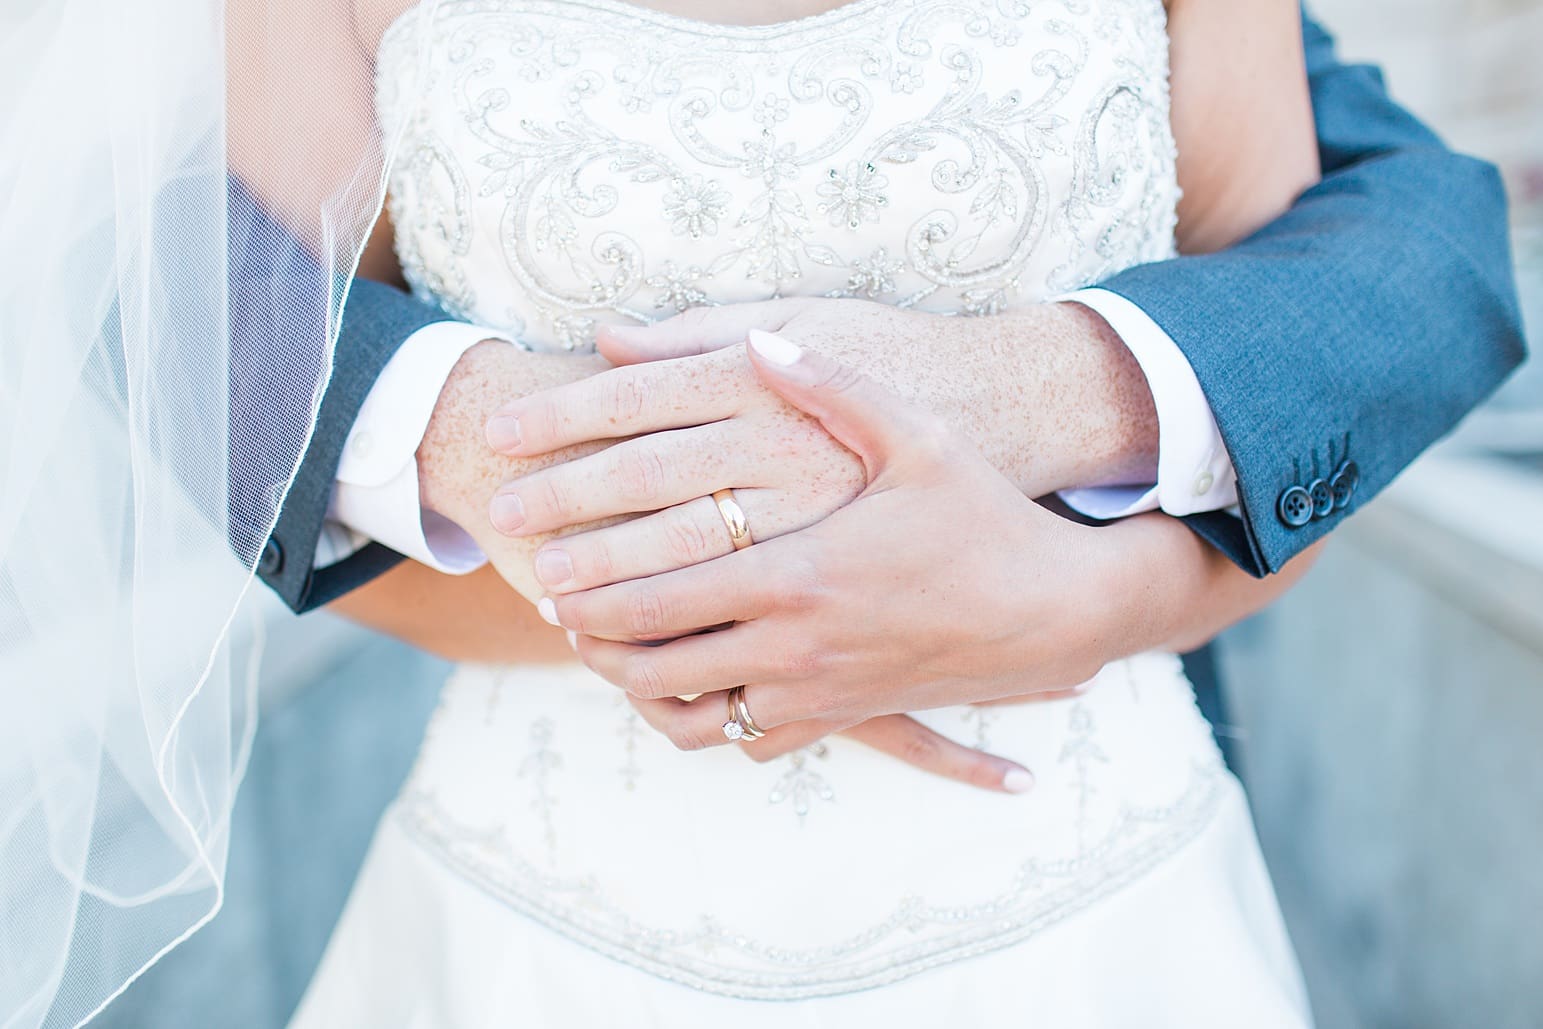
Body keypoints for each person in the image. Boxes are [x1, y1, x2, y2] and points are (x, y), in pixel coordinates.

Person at [266, 0, 1521, 1024]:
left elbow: (1288, 415)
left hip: (1084, 887)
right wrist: (506, 454)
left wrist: (1090, 582)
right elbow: (277, 392)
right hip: (548, 906)